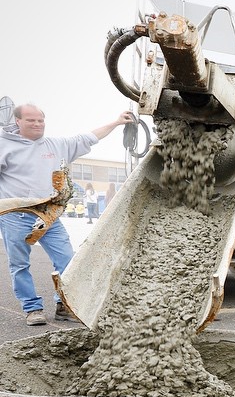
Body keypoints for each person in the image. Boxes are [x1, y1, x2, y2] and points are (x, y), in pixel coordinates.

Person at [0, 104, 134, 325]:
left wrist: (117, 122)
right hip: (17, 215)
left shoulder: (56, 145)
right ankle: (32, 308)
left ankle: (64, 305)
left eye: (40, 120)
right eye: (31, 120)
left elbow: (88, 137)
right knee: (20, 265)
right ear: (18, 122)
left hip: (49, 214)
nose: (37, 124)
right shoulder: (5, 146)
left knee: (68, 261)